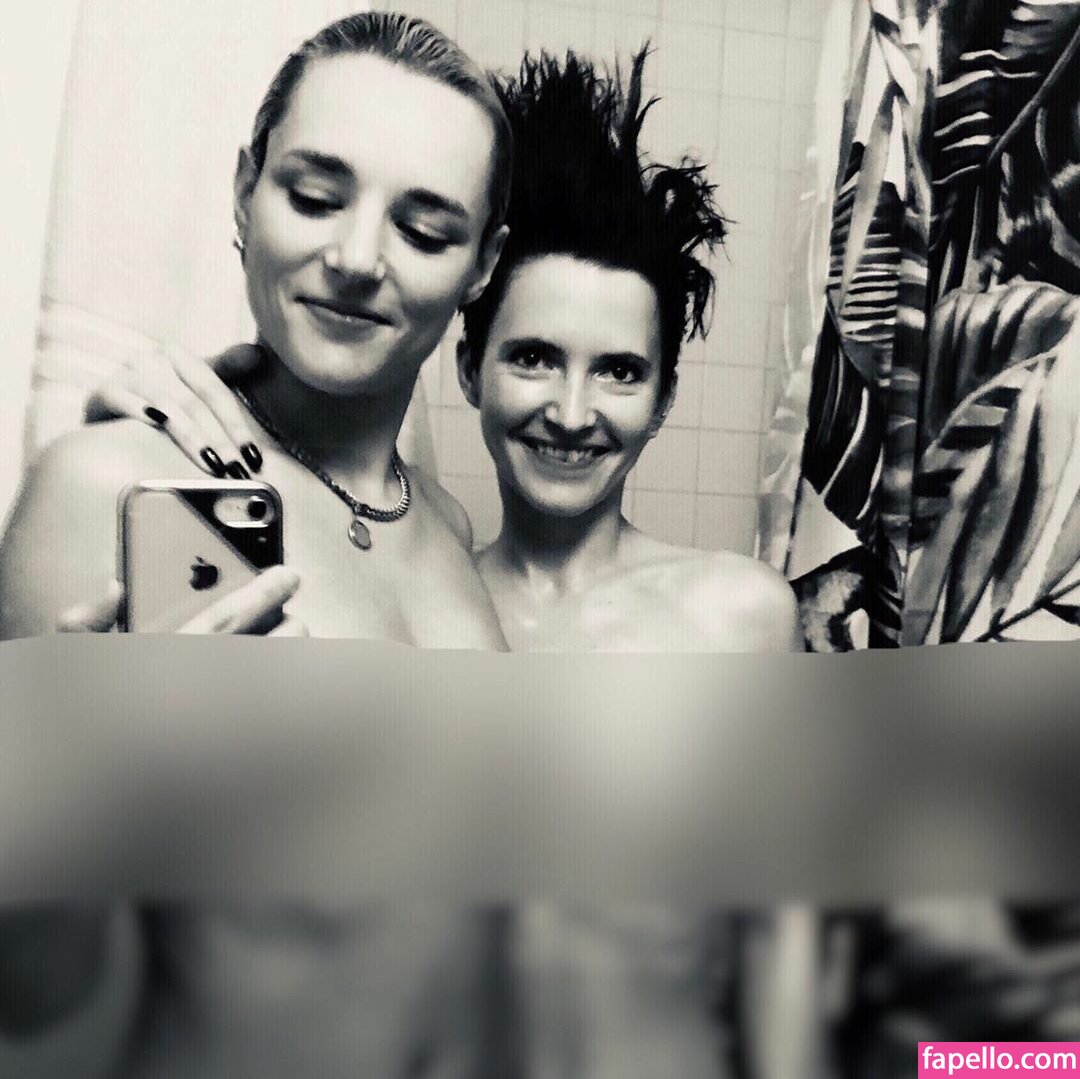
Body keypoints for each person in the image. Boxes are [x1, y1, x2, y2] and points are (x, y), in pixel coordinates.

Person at [75, 44, 804, 1078]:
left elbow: (783, 937)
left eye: (620, 371)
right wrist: (197, 399)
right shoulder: (431, 584)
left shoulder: (740, 615)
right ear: (469, 365)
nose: (571, 411)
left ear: (661, 400)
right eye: (533, 357)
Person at [0, 13, 516, 1079]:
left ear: (482, 266)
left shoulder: (447, 528)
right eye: (315, 196)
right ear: (245, 189)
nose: (356, 259)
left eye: (425, 230)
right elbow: (26, 997)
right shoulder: (108, 484)